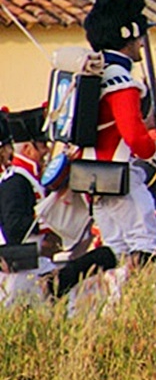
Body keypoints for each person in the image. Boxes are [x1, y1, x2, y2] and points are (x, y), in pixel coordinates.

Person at [80, 0, 156, 264]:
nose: (143, 43)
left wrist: (148, 123)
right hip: (119, 173)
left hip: (91, 173)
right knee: (146, 244)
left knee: (117, 250)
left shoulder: (94, 73)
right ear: (129, 34)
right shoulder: (121, 80)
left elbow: (113, 127)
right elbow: (133, 137)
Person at [0, 107, 117, 305]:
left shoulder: (27, 177)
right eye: (42, 145)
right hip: (17, 271)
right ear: (28, 148)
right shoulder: (15, 181)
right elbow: (14, 229)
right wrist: (51, 220)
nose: (46, 151)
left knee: (102, 259)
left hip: (33, 265)